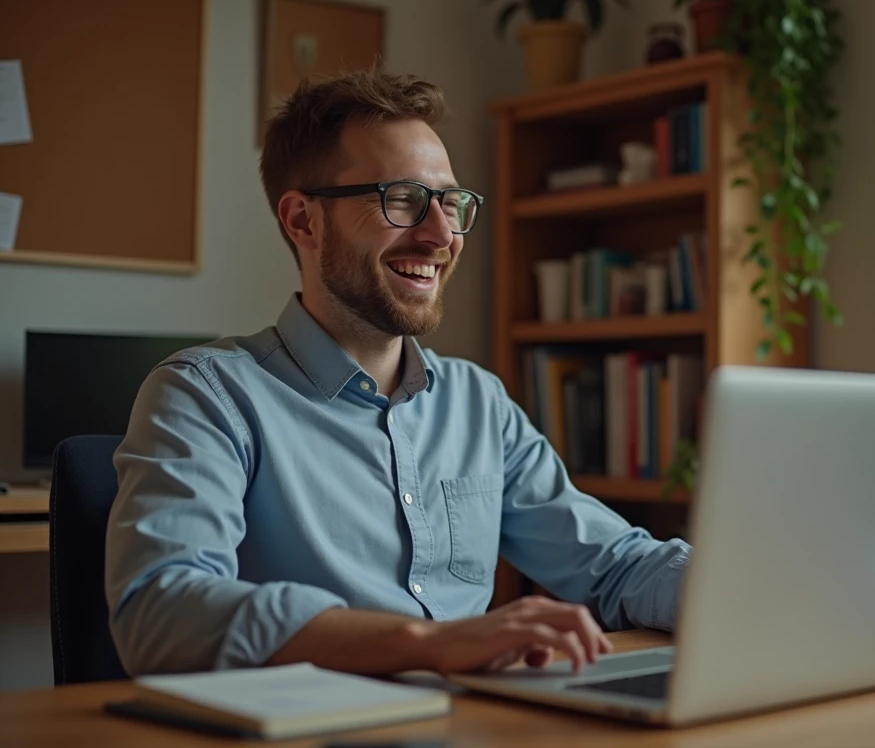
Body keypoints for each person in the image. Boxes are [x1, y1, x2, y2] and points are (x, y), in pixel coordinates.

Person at [105, 70, 692, 678]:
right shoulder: (205, 396)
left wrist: (760, 591)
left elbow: (617, 565)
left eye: (451, 203)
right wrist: (425, 643)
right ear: (303, 221)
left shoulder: (478, 403)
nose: (442, 235)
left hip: (476, 725)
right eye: (403, 199)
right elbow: (160, 610)